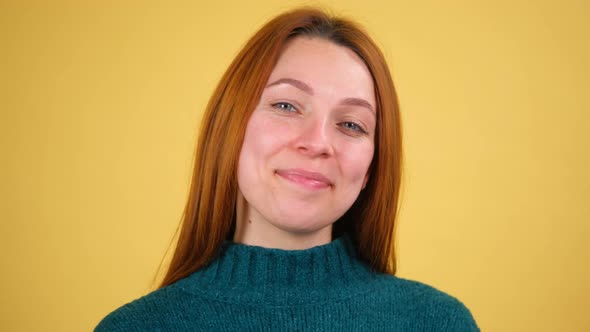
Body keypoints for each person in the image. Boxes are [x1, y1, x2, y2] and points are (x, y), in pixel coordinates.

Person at [95, 7, 478, 331]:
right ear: (230, 127)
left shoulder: (437, 323)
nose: (317, 143)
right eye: (286, 106)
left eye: (351, 125)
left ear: (370, 170)